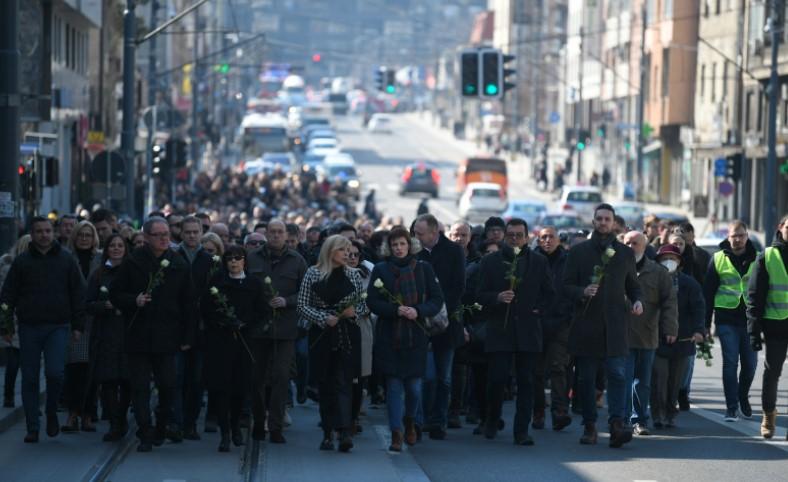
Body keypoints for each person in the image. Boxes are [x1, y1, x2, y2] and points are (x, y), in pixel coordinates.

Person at [109, 217, 196, 452]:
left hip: (168, 336)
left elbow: (188, 303)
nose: (164, 238)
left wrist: (188, 337)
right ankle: (145, 430)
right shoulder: (132, 262)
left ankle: (161, 423)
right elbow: (115, 293)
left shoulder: (178, 264)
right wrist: (133, 300)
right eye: (158, 234)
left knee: (168, 385)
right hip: (138, 334)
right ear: (146, 237)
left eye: (166, 233)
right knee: (139, 387)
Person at [563, 204, 643, 448]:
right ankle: (589, 426)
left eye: (607, 219)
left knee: (618, 376)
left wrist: (638, 300)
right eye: (599, 219)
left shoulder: (625, 253)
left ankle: (617, 424)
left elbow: (632, 285)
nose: (603, 223)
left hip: (616, 326)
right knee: (586, 379)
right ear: (593, 221)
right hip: (587, 326)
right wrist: (581, 291)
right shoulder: (579, 253)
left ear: (614, 223)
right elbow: (565, 286)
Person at [0, 216, 86, 443]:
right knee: (29, 377)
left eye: (47, 230)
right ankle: (33, 426)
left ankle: (50, 412)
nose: (44, 235)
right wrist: (6, 326)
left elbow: (78, 294)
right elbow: (7, 295)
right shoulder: (22, 262)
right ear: (32, 233)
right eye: (39, 231)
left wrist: (78, 326)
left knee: (55, 372)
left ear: (54, 232)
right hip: (29, 326)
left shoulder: (66, 260)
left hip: (58, 326)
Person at [476, 218, 553, 445]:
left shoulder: (538, 262)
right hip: (500, 329)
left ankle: (521, 430)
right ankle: (491, 419)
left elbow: (550, 293)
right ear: (505, 236)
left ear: (527, 237)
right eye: (511, 235)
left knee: (526, 381)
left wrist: (539, 309)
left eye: (519, 235)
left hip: (528, 330)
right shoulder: (490, 262)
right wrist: (497, 297)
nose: (515, 239)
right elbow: (479, 294)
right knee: (497, 379)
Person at [367, 227, 444, 452]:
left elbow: (437, 299)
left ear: (409, 245)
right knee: (393, 387)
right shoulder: (381, 269)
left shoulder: (423, 268)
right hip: (390, 337)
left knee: (414, 388)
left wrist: (418, 310)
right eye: (394, 245)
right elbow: (372, 301)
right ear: (388, 248)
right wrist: (395, 310)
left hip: (416, 336)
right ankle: (396, 432)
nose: (399, 249)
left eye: (402, 244)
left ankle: (410, 421)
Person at [297, 235, 368, 453]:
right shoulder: (313, 273)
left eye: (348, 250)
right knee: (326, 383)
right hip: (322, 335)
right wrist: (321, 317)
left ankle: (345, 430)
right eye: (342, 250)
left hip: (347, 334)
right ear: (330, 251)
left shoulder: (354, 275)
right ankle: (328, 432)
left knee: (345, 382)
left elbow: (364, 307)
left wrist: (352, 312)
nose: (347, 254)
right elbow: (302, 305)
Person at [247, 219, 308, 444]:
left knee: (281, 376)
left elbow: (305, 293)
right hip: (258, 329)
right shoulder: (252, 258)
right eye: (271, 232)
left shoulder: (297, 260)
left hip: (285, 329)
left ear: (286, 234)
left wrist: (287, 301)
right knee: (256, 378)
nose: (275, 236)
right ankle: (258, 420)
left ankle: (275, 425)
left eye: (279, 232)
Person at [201, 245, 265, 452]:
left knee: (240, 388)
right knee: (221, 388)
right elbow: (207, 309)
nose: (234, 262)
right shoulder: (217, 282)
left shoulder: (254, 283)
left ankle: (236, 425)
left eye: (238, 258)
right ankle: (225, 432)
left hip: (245, 342)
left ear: (245, 261)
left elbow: (261, 310)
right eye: (230, 258)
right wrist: (223, 323)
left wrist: (246, 324)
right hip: (221, 341)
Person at [413, 214, 466, 440]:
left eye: (420, 233)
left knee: (444, 377)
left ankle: (439, 421)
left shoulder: (453, 252)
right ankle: (420, 418)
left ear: (434, 233)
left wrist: (438, 310)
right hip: (420, 322)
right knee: (426, 375)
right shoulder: (415, 252)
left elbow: (458, 286)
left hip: (446, 322)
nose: (415, 237)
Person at [622, 231, 678, 435]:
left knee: (643, 383)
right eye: (627, 242)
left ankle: (640, 420)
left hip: (647, 334)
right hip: (622, 335)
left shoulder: (658, 272)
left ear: (644, 247)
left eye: (635, 243)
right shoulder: (614, 268)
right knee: (624, 379)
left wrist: (670, 328)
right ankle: (624, 419)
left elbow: (669, 302)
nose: (630, 246)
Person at [703, 220, 759, 422]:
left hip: (750, 320)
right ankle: (731, 407)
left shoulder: (758, 258)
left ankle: (742, 396)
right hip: (726, 319)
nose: (737, 239)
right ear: (728, 236)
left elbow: (764, 291)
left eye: (741, 235)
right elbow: (707, 294)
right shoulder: (717, 258)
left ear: (747, 236)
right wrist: (705, 324)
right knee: (730, 363)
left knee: (751, 365)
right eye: (734, 235)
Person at [651, 244, 705, 429]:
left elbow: (699, 308)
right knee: (659, 378)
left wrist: (699, 330)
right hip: (656, 339)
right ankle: (657, 414)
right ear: (657, 261)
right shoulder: (652, 281)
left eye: (673, 259)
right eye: (664, 258)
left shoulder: (689, 284)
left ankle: (670, 413)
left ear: (679, 262)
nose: (669, 262)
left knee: (675, 382)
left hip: (683, 340)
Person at [746, 214, 788, 440]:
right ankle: (768, 416)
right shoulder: (768, 256)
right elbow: (755, 296)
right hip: (776, 326)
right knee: (773, 373)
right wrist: (754, 330)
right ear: (780, 228)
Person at [86, 234, 131, 442]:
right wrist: (103, 306)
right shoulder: (98, 274)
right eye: (112, 245)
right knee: (109, 380)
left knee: (128, 380)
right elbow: (88, 304)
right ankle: (114, 423)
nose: (116, 248)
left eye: (120, 245)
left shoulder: (133, 271)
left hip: (129, 332)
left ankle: (122, 418)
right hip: (105, 333)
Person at [176, 216, 216, 440]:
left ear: (201, 233)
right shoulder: (173, 256)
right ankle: (176, 421)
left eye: (195, 232)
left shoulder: (209, 260)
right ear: (181, 233)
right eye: (188, 232)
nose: (192, 235)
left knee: (196, 379)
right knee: (176, 377)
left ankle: (190, 422)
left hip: (201, 330)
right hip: (176, 327)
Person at [62, 220, 103, 433]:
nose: (85, 239)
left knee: (92, 370)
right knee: (74, 369)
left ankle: (88, 413)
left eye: (88, 235)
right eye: (81, 235)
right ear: (75, 237)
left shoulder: (101, 258)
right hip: (75, 320)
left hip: (95, 320)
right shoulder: (67, 258)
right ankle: (73, 413)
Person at [533, 226, 573, 431]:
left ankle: (559, 411)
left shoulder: (567, 261)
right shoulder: (532, 260)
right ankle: (538, 411)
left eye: (551, 237)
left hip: (560, 322)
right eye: (543, 237)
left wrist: (565, 313)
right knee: (537, 372)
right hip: (537, 322)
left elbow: (571, 289)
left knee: (558, 368)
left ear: (559, 239)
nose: (547, 241)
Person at [446, 221, 480, 429]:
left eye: (464, 235)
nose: (459, 238)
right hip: (445, 319)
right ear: (449, 235)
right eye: (456, 234)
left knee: (461, 368)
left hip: (469, 320)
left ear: (470, 238)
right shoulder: (442, 258)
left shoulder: (478, 262)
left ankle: (455, 410)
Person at [347, 240, 375, 434]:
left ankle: (354, 417)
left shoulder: (368, 276)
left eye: (356, 255)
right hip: (337, 328)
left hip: (361, 327)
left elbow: (373, 302)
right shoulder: (332, 274)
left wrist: (357, 309)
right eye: (349, 254)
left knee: (358, 377)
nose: (352, 258)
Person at [0, 235, 30, 408]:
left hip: (22, 317)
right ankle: (10, 395)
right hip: (14, 317)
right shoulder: (8, 267)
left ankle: (12, 395)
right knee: (17, 359)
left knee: (21, 360)